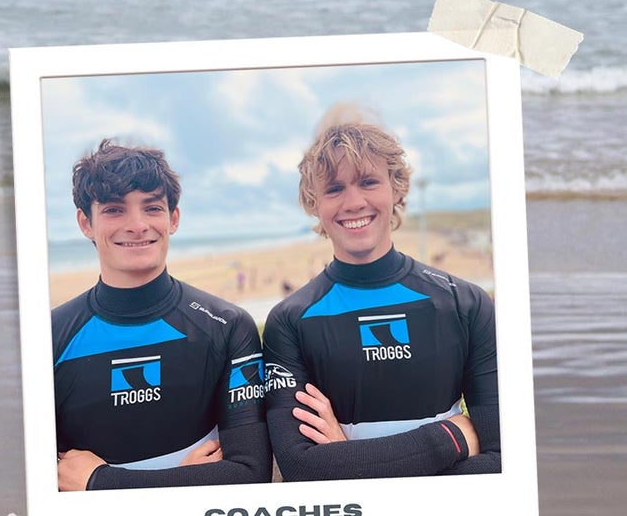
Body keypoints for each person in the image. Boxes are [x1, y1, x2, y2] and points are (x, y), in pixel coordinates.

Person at [261, 107, 498, 479]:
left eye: (368, 182)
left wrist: (348, 460)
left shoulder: (465, 303)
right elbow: (300, 466)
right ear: (314, 204)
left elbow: (503, 456)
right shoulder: (290, 321)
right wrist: (453, 437)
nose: (354, 202)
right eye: (334, 189)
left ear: (397, 188)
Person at [49, 140, 267, 490]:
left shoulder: (227, 326)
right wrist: (188, 478)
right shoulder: (49, 337)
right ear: (85, 223)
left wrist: (100, 482)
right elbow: (35, 487)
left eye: (152, 208)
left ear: (173, 218)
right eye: (114, 210)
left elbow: (249, 473)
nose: (137, 225)